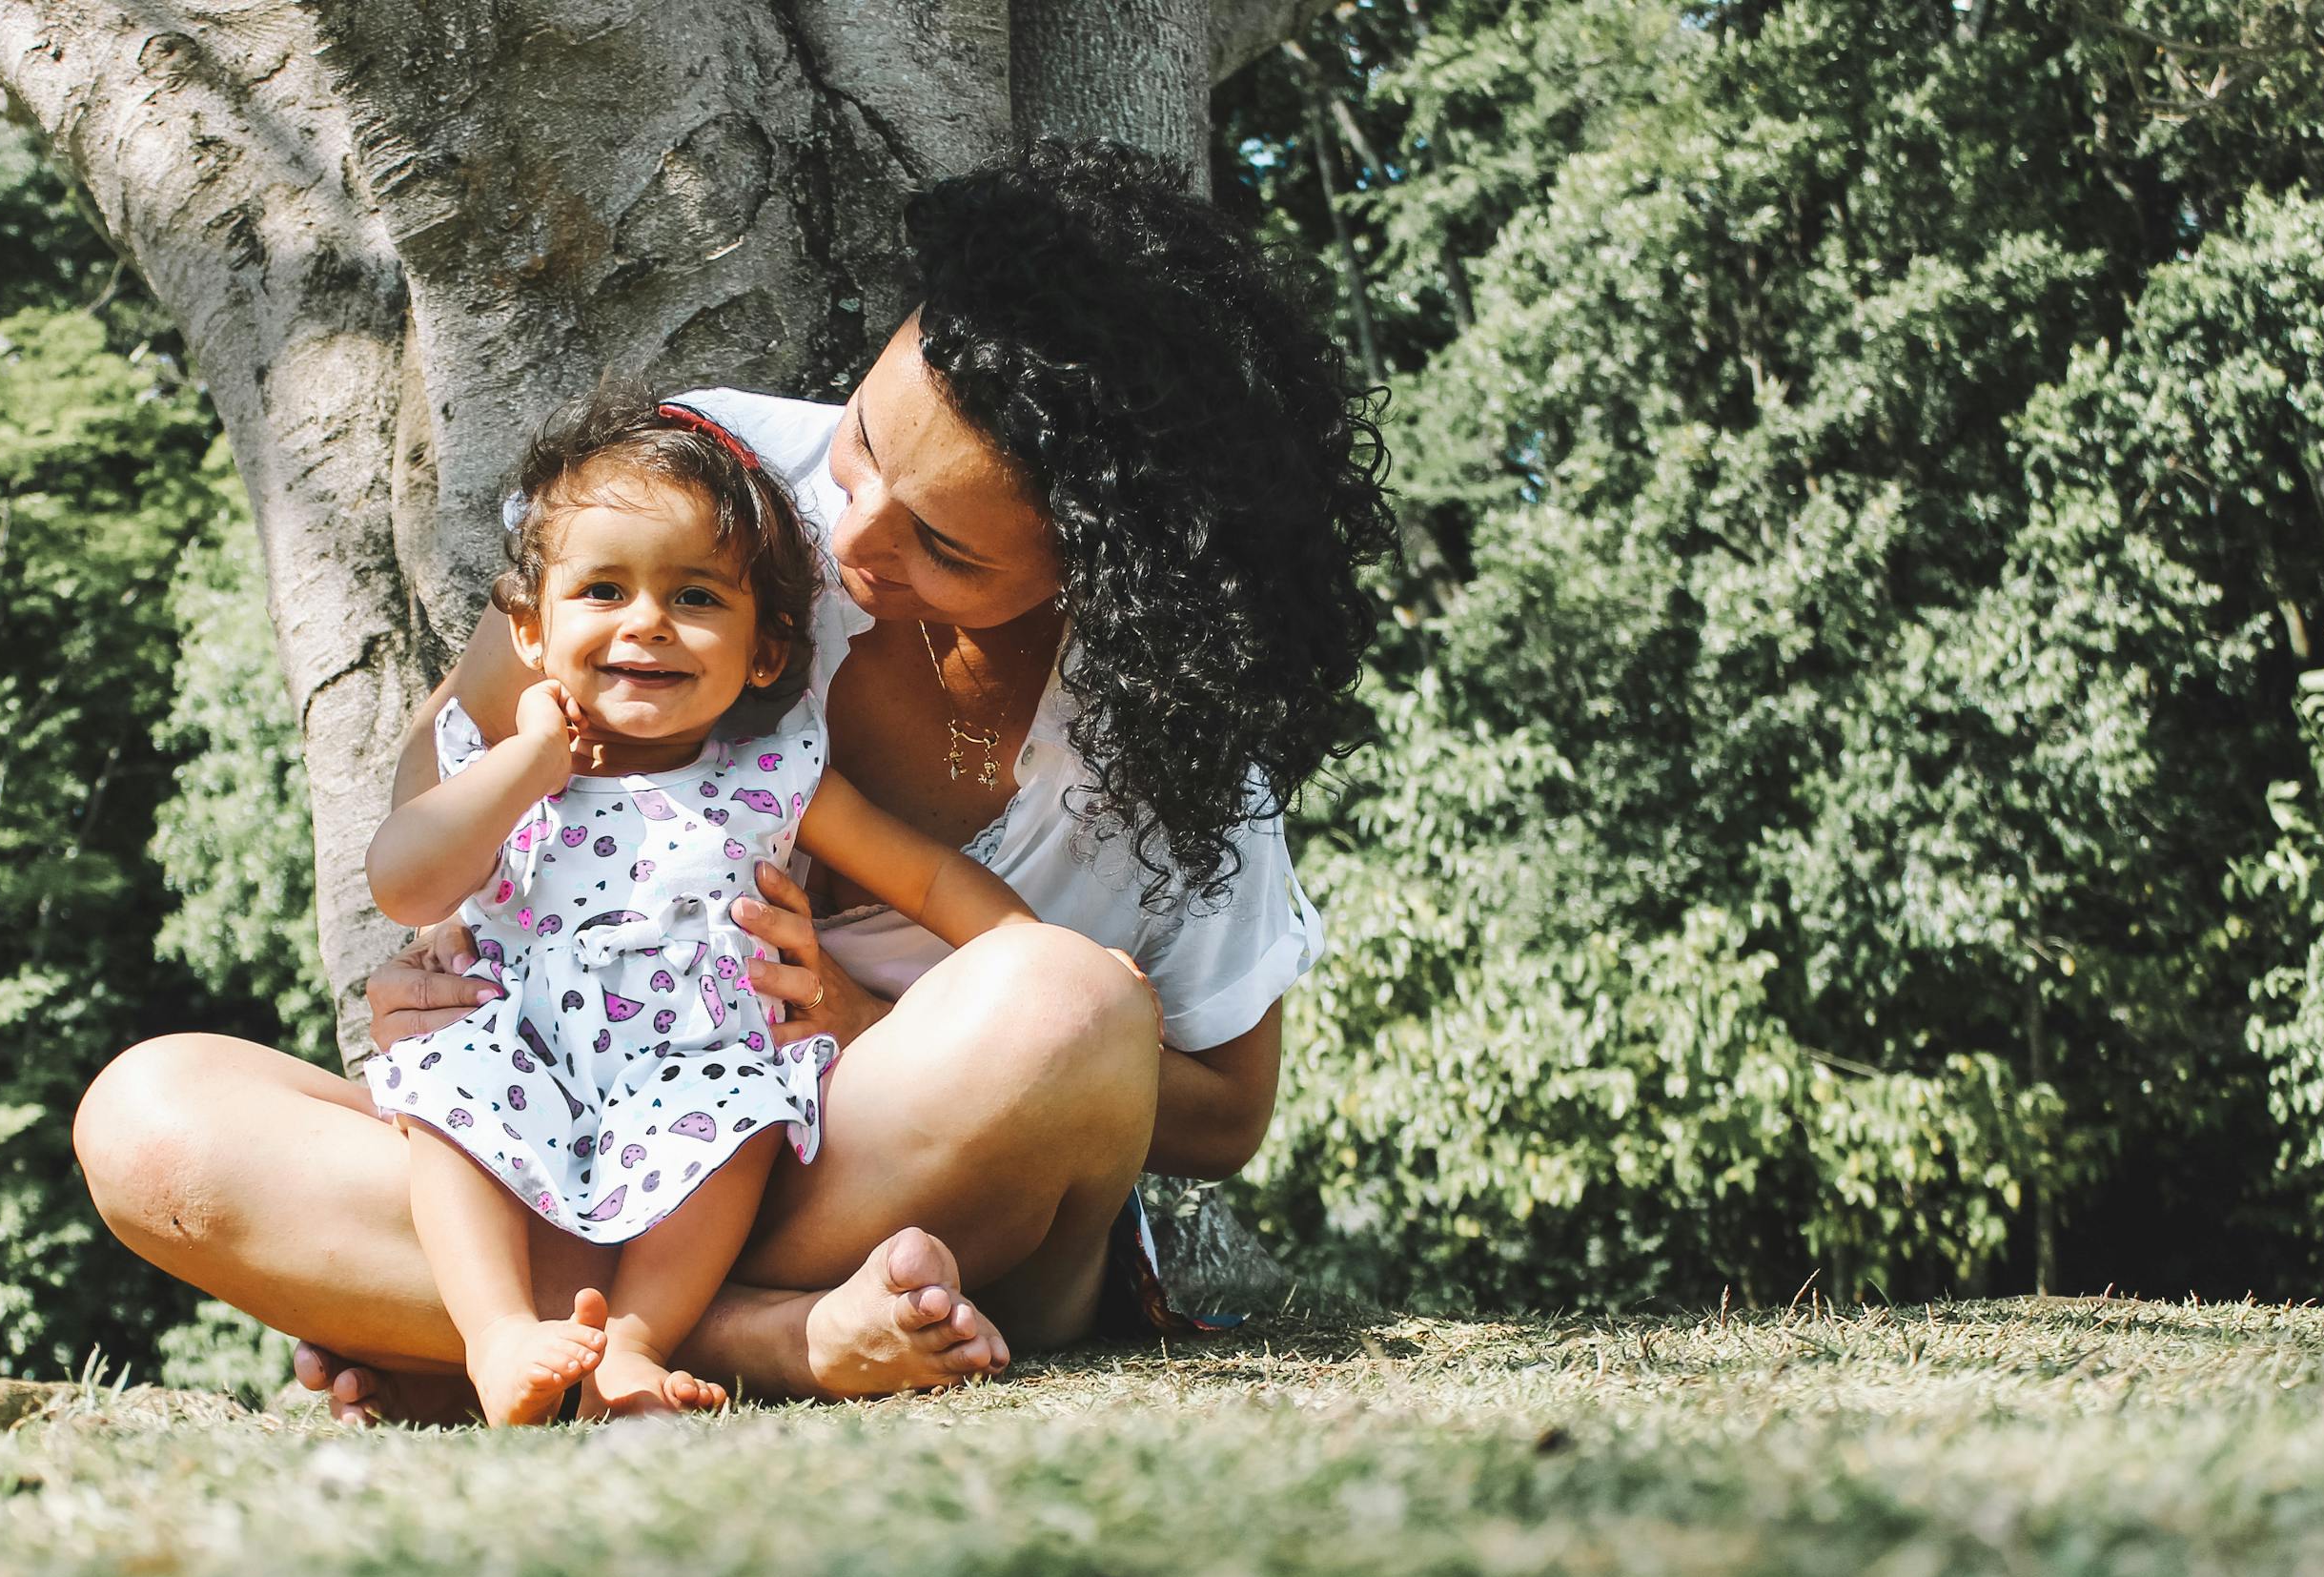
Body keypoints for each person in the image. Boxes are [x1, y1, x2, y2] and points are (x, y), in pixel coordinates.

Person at [72, 143, 1391, 1421]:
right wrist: (444, 937)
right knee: (153, 1120)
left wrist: (865, 1022)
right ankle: (751, 1337)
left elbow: (1222, 1113)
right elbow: (452, 743)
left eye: (942, 548)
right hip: (576, 1120)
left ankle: (484, 1326)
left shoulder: (1176, 730)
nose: (851, 536)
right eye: (867, 442)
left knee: (1062, 1001)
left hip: (884, 1169)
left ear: (1101, 566)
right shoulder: (698, 496)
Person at [368, 396, 1042, 1423]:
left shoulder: (772, 780)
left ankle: (635, 1344)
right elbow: (405, 883)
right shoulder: (501, 771)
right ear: (532, 631)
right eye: (602, 590)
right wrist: (531, 758)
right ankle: (498, 1335)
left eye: (695, 597)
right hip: (521, 1054)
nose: (645, 622)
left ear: (765, 652)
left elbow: (935, 879)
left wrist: (1024, 960)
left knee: (745, 1111)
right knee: (446, 1095)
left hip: (694, 1072)